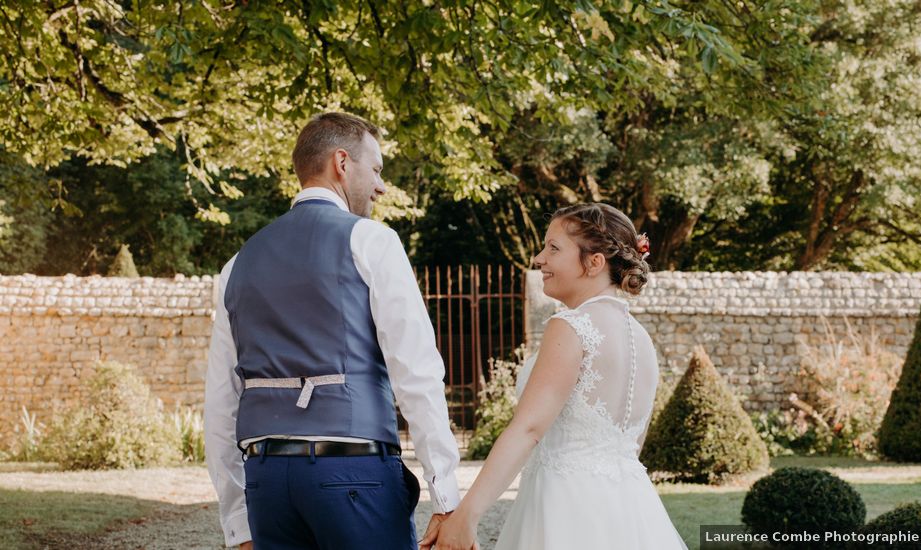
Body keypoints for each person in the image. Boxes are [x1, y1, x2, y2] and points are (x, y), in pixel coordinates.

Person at [205, 112, 461, 549]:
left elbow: (221, 401)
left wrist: (238, 523)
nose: (381, 186)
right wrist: (446, 496)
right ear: (342, 162)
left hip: (267, 484)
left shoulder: (236, 266)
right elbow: (415, 371)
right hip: (352, 476)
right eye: (376, 169)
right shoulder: (373, 241)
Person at [421, 203, 688, 550]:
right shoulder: (641, 340)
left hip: (566, 509)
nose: (538, 259)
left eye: (554, 248)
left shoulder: (571, 327)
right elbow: (632, 445)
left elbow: (528, 428)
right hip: (633, 512)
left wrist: (466, 515)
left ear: (594, 262)